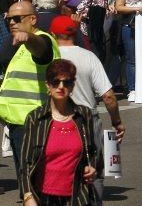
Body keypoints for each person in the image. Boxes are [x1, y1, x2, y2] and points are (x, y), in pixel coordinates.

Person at [50, 16, 125, 204]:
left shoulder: (49, 57)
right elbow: (108, 96)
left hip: (55, 119)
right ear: (75, 33)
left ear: (52, 34)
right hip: (87, 119)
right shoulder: (88, 57)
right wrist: (116, 122)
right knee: (94, 169)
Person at [19, 59, 98, 206]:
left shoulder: (83, 114)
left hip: (77, 197)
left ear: (73, 86)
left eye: (67, 82)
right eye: (55, 82)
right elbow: (26, 163)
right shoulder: (35, 118)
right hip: (43, 197)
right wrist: (28, 196)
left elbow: (92, 151)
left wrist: (92, 168)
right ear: (47, 85)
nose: (61, 87)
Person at [0, 0, 61, 181]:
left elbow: (41, 48)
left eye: (17, 19)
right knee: (27, 180)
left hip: (33, 122)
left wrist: (29, 38)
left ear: (33, 19)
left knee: (34, 181)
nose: (11, 23)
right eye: (8, 19)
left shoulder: (42, 39)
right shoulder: (17, 46)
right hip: (18, 123)